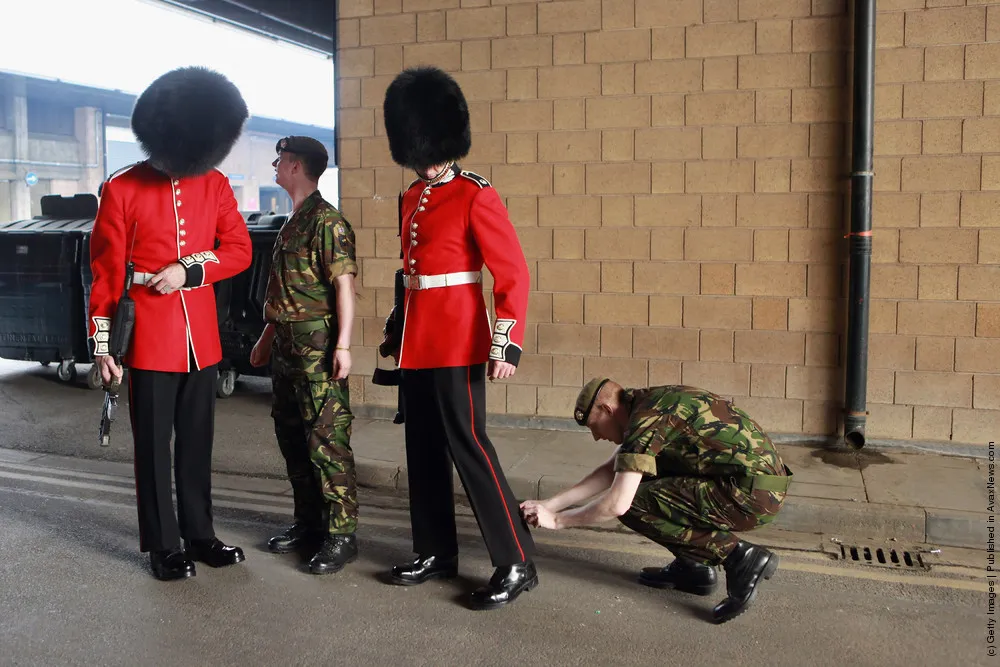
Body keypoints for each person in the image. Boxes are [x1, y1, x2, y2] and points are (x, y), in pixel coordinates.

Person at [378, 66, 538, 610]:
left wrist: (505, 342)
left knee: (471, 448)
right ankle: (435, 551)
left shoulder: (476, 194)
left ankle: (516, 559)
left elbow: (512, 272)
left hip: (459, 339)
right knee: (421, 449)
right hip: (419, 341)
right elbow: (414, 272)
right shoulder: (413, 196)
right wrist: (399, 327)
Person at [88, 67, 253, 581]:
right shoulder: (121, 188)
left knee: (198, 441)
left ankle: (199, 534)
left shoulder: (216, 182)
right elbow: (105, 272)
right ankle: (163, 544)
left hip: (199, 336)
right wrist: (102, 344)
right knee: (153, 446)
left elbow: (240, 250)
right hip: (149, 336)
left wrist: (189, 269)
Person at [520, 378, 794, 623]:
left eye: (595, 426)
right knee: (640, 479)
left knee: (633, 503)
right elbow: (611, 470)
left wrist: (558, 521)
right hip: (752, 485)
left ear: (606, 410)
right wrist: (550, 504)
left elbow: (617, 503)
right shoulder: (648, 404)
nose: (597, 436)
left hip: (752, 495)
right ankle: (693, 568)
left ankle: (739, 558)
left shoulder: (646, 419)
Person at [250, 135, 359, 575]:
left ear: (295, 166)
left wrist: (344, 346)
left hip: (317, 350)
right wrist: (264, 338)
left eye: (280, 161)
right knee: (292, 439)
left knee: (327, 444)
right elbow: (285, 294)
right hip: (286, 349)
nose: (275, 167)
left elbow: (344, 288)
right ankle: (308, 523)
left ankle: (341, 535)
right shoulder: (293, 220)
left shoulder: (327, 221)